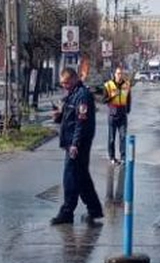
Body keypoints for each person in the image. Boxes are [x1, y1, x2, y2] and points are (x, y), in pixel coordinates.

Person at [50, 67, 103, 226]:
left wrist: (75, 144)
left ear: (73, 79)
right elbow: (69, 118)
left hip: (78, 143)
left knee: (70, 178)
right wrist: (58, 116)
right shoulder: (72, 94)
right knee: (81, 177)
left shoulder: (82, 95)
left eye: (66, 82)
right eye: (62, 83)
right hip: (70, 142)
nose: (64, 86)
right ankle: (95, 209)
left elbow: (81, 122)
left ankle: (67, 212)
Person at [103, 66, 131, 164]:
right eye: (118, 73)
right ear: (114, 74)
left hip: (122, 114)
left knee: (123, 136)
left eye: (121, 73)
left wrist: (128, 110)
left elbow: (128, 98)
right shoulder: (108, 85)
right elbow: (104, 100)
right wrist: (112, 96)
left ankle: (123, 157)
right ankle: (112, 157)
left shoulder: (126, 85)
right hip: (112, 115)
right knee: (111, 138)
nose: (120, 75)